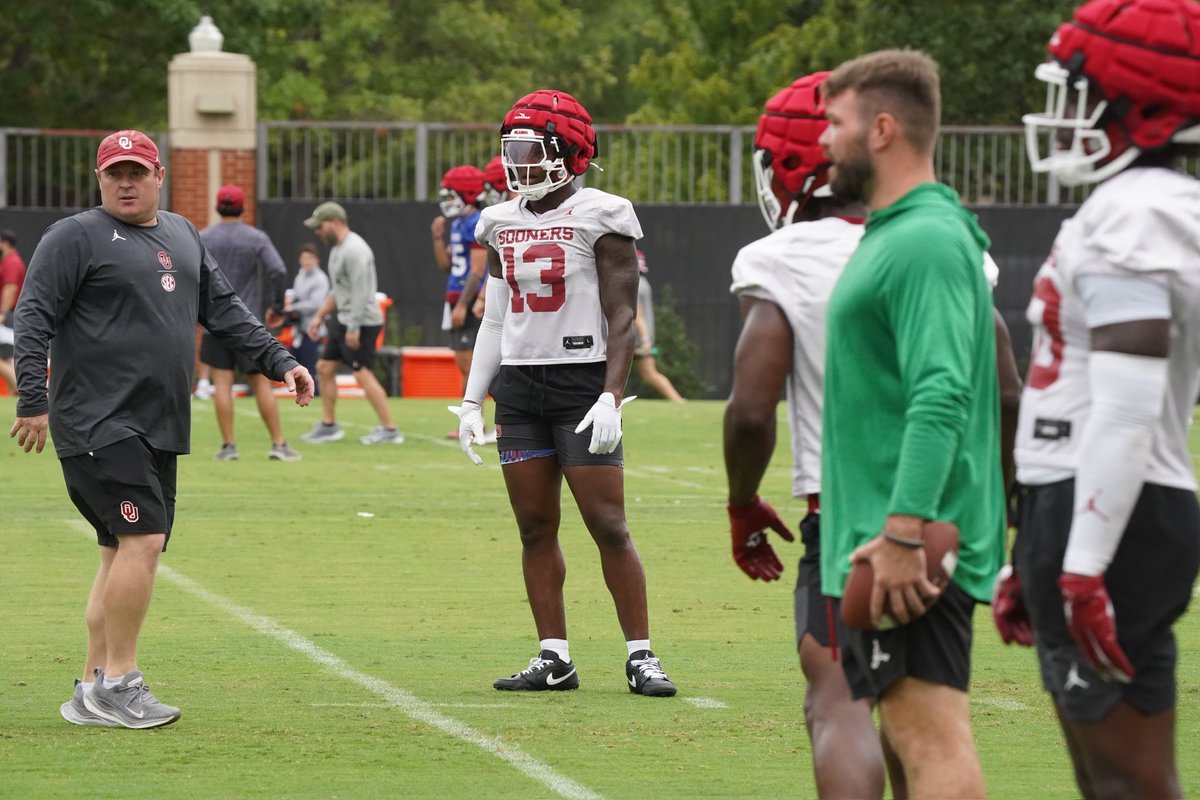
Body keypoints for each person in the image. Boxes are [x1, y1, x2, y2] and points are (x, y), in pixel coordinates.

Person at [725, 70, 1022, 798]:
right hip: (941, 512)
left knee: (847, 706)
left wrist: (742, 501)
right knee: (910, 719)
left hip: (874, 521)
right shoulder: (945, 242)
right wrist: (1006, 512)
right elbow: (1006, 392)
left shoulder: (803, 254)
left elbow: (752, 410)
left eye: (838, 125)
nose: (827, 138)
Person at [8, 129, 313, 729]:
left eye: (136, 172)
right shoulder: (73, 236)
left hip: (159, 424)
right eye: (114, 173)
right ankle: (121, 681)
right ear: (99, 179)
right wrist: (32, 400)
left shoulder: (182, 233)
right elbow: (33, 316)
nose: (126, 182)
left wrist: (283, 361)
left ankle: (92, 688)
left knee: (117, 551)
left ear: (159, 176)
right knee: (143, 541)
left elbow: (225, 311)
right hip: (97, 421)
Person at [995, 2, 1200, 796]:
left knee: (1127, 784)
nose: (1064, 110)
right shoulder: (1148, 206)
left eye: (1081, 90)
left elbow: (1125, 401)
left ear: (1142, 106)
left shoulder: (1136, 211)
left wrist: (1080, 565)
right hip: (1093, 503)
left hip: (1107, 507)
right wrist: (1035, 552)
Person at [816, 51, 1004, 798]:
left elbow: (941, 394)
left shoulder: (924, 239)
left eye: (836, 123)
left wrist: (901, 532)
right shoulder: (902, 229)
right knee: (911, 735)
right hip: (884, 533)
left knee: (931, 743)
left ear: (883, 129)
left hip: (907, 542)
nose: (824, 141)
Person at [452, 89, 676, 697]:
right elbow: (495, 321)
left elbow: (622, 317)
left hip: (582, 384)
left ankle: (641, 654)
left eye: (529, 149)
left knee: (608, 524)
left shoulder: (603, 213)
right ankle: (555, 656)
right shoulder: (497, 221)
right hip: (520, 389)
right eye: (512, 149)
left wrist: (611, 395)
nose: (517, 162)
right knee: (534, 527)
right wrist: (473, 400)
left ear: (566, 152)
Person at [199, 184, 300, 461]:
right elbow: (278, 269)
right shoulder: (255, 237)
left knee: (221, 383)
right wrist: (277, 306)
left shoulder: (203, 237)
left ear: (218, 207)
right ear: (243, 208)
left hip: (214, 321)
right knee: (260, 384)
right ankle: (279, 444)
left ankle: (229, 446)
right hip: (248, 321)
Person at [299, 201, 403, 445]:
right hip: (343, 318)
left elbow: (361, 292)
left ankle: (389, 429)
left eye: (320, 226)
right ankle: (328, 425)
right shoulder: (337, 249)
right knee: (325, 367)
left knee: (361, 372)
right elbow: (339, 290)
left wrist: (354, 328)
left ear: (335, 223)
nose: (318, 232)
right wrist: (319, 316)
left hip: (361, 321)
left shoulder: (355, 250)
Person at [431, 165, 493, 439]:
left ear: (467, 193)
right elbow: (447, 265)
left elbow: (478, 271)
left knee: (471, 364)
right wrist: (436, 238)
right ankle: (471, 421)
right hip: (455, 295)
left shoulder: (476, 221)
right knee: (462, 362)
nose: (447, 202)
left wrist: (463, 305)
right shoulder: (458, 223)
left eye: (451, 195)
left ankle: (475, 422)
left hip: (466, 301)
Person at [632, 250, 684, 403]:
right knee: (649, 374)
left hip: (635, 339)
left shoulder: (633, 284)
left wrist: (645, 340)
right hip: (641, 337)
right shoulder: (644, 284)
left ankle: (679, 402)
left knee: (611, 373)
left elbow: (638, 315)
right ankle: (679, 402)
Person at [285, 242, 330, 393]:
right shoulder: (301, 275)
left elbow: (317, 304)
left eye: (311, 258)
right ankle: (302, 393)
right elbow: (297, 297)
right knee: (295, 364)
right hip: (299, 330)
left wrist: (294, 307)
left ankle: (314, 395)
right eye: (304, 258)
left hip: (313, 330)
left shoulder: (320, 279)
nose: (307, 261)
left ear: (317, 260)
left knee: (310, 366)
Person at [0, 228, 26, 392]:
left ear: (5, 243)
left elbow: (10, 288)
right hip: (9, 313)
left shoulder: (12, 262)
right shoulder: (9, 260)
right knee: (6, 357)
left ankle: (19, 389)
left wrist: (2, 313)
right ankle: (15, 392)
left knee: (4, 356)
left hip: (8, 314)